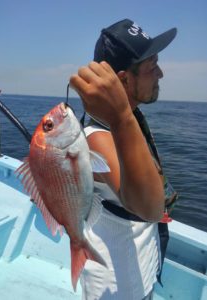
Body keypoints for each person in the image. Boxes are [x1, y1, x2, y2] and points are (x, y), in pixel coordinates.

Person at [70, 19, 177, 300]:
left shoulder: (127, 121)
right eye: (152, 66)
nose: (161, 74)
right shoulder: (100, 135)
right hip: (118, 284)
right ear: (124, 80)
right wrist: (120, 115)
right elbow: (150, 209)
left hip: (140, 264)